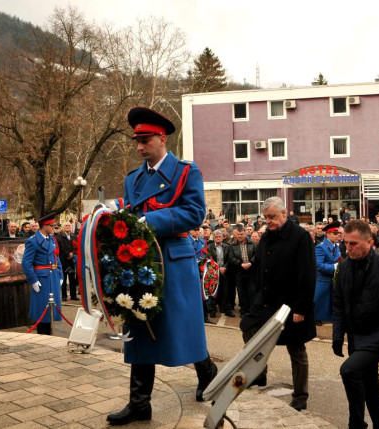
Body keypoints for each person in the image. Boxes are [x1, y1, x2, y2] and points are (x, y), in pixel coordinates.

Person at [106, 107, 217, 425]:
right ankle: (140, 403)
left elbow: (195, 213)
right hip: (141, 262)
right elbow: (127, 215)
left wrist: (148, 220)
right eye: (137, 141)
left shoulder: (185, 172)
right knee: (140, 326)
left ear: (162, 138)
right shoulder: (133, 179)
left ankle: (208, 373)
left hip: (175, 261)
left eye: (145, 140)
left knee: (183, 327)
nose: (140, 147)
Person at [241, 197, 316, 411]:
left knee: (296, 349)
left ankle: (300, 395)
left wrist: (301, 308)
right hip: (265, 302)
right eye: (266, 217)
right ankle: (259, 375)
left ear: (285, 213)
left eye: (272, 216)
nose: (268, 221)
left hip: (292, 305)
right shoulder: (266, 236)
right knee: (249, 330)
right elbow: (261, 265)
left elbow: (307, 274)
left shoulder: (300, 237)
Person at [332, 219, 379, 429]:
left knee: (349, 370)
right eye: (345, 243)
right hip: (357, 336)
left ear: (369, 242)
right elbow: (338, 303)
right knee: (371, 388)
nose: (348, 248)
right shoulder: (345, 267)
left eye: (353, 244)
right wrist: (338, 336)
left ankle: (356, 423)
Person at [21, 212, 63, 335]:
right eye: (51, 226)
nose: (53, 228)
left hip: (53, 276)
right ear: (45, 226)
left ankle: (49, 334)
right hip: (42, 279)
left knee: (51, 309)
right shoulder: (33, 241)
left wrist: (60, 273)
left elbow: (56, 256)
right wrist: (33, 280)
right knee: (42, 310)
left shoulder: (52, 239)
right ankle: (43, 336)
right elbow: (26, 263)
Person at [314, 221, 342, 325]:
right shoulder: (321, 247)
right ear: (328, 234)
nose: (337, 235)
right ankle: (317, 318)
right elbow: (318, 265)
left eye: (338, 233)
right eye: (334, 233)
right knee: (321, 300)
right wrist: (334, 267)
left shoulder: (336, 246)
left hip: (333, 279)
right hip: (323, 280)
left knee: (331, 301)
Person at [226, 223, 256, 317]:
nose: (239, 236)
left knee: (251, 291)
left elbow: (257, 255)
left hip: (251, 271)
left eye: (241, 234)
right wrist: (241, 264)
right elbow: (231, 258)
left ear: (245, 234)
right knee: (241, 292)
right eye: (238, 234)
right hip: (239, 272)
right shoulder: (232, 245)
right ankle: (243, 310)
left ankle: (251, 311)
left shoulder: (252, 243)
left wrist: (250, 263)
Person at [55, 221, 78, 301]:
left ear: (71, 227)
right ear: (63, 227)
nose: (67, 227)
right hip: (63, 260)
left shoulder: (74, 236)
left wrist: (72, 253)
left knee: (72, 278)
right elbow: (60, 248)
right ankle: (64, 296)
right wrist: (68, 254)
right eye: (66, 225)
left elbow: (76, 247)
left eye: (69, 225)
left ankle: (73, 295)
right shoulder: (59, 237)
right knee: (63, 278)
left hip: (71, 261)